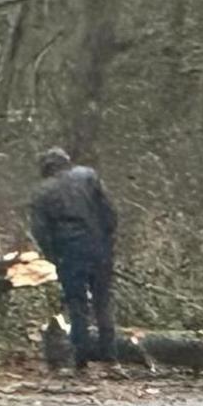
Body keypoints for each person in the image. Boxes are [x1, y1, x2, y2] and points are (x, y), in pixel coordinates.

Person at [28, 147, 119, 370]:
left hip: (69, 252)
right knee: (102, 301)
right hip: (98, 247)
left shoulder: (42, 192)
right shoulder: (88, 176)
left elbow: (41, 231)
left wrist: (53, 256)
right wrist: (107, 241)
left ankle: (82, 359)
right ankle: (110, 357)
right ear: (67, 162)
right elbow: (110, 213)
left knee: (77, 304)